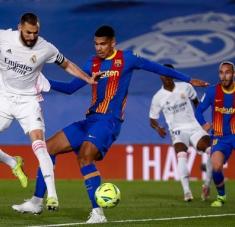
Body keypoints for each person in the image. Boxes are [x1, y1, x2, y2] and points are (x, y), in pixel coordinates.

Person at [12, 25, 208, 223]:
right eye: (96, 44)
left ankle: (98, 213)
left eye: (103, 44)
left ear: (113, 43)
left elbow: (157, 68)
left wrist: (189, 79)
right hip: (90, 120)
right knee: (48, 148)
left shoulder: (127, 59)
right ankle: (37, 201)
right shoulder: (93, 63)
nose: (99, 48)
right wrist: (43, 81)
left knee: (85, 157)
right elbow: (71, 88)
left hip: (109, 122)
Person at [0, 12, 97, 211]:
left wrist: (87, 79)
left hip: (28, 102)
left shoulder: (46, 47)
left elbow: (67, 64)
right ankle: (12, 162)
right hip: (4, 98)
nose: (31, 37)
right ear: (20, 27)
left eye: (35, 33)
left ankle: (52, 196)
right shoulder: (4, 38)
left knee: (40, 145)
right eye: (28, 32)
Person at [149, 64, 212, 202]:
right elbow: (152, 119)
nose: (166, 76)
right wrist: (157, 127)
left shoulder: (186, 86)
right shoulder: (158, 97)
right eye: (163, 74)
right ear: (160, 76)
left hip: (194, 127)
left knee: (211, 151)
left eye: (169, 73)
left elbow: (197, 104)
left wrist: (202, 122)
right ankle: (187, 192)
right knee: (181, 154)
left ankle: (207, 185)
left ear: (173, 74)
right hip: (177, 131)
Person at [195, 61, 235, 207]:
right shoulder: (213, 91)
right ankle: (221, 196)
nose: (224, 76)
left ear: (233, 74)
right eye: (221, 72)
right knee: (216, 165)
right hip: (220, 137)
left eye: (227, 72)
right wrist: (203, 123)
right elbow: (198, 111)